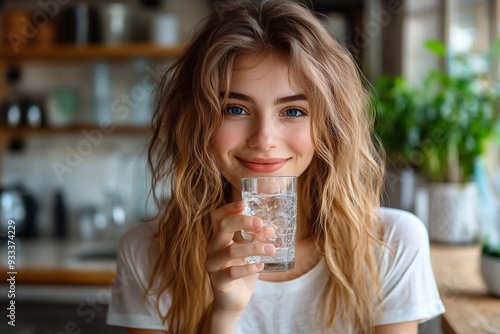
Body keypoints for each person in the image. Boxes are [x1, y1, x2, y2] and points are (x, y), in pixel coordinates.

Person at [106, 1, 445, 333]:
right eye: (235, 109)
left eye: (293, 111)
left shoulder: (392, 242)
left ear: (328, 126)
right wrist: (224, 315)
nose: (263, 139)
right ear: (197, 123)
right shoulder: (148, 252)